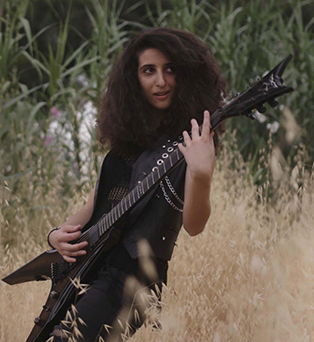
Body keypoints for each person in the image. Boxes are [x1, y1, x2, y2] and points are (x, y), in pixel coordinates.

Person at [46, 27, 226, 341]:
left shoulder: (191, 144)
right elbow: (93, 209)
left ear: (186, 75)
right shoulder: (122, 153)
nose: (161, 81)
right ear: (134, 81)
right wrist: (56, 236)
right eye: (148, 71)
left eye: (170, 69)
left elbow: (195, 225)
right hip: (92, 271)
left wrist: (201, 174)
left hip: (136, 280)